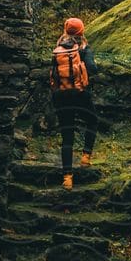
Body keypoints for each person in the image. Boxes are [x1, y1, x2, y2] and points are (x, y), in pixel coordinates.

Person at [49, 15, 98, 189]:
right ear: (81, 31)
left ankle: (67, 178)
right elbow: (93, 69)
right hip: (80, 94)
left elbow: (53, 73)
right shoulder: (84, 48)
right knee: (92, 120)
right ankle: (86, 156)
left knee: (67, 136)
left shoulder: (58, 49)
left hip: (61, 96)